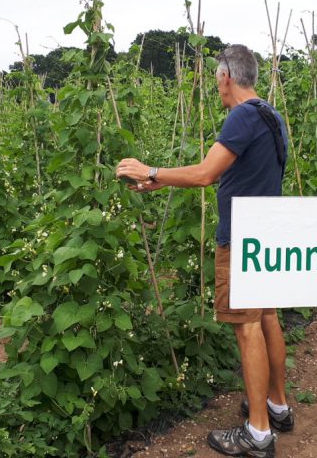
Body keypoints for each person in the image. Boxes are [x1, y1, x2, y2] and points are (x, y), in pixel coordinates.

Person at [115, 44, 293, 457]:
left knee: (246, 325)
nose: (217, 87)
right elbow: (231, 172)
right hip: (269, 233)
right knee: (267, 316)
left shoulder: (242, 115)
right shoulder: (271, 115)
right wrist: (166, 181)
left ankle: (258, 434)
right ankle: (277, 408)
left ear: (227, 77)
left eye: (217, 80)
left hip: (242, 236)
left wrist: (151, 170)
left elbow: (204, 174)